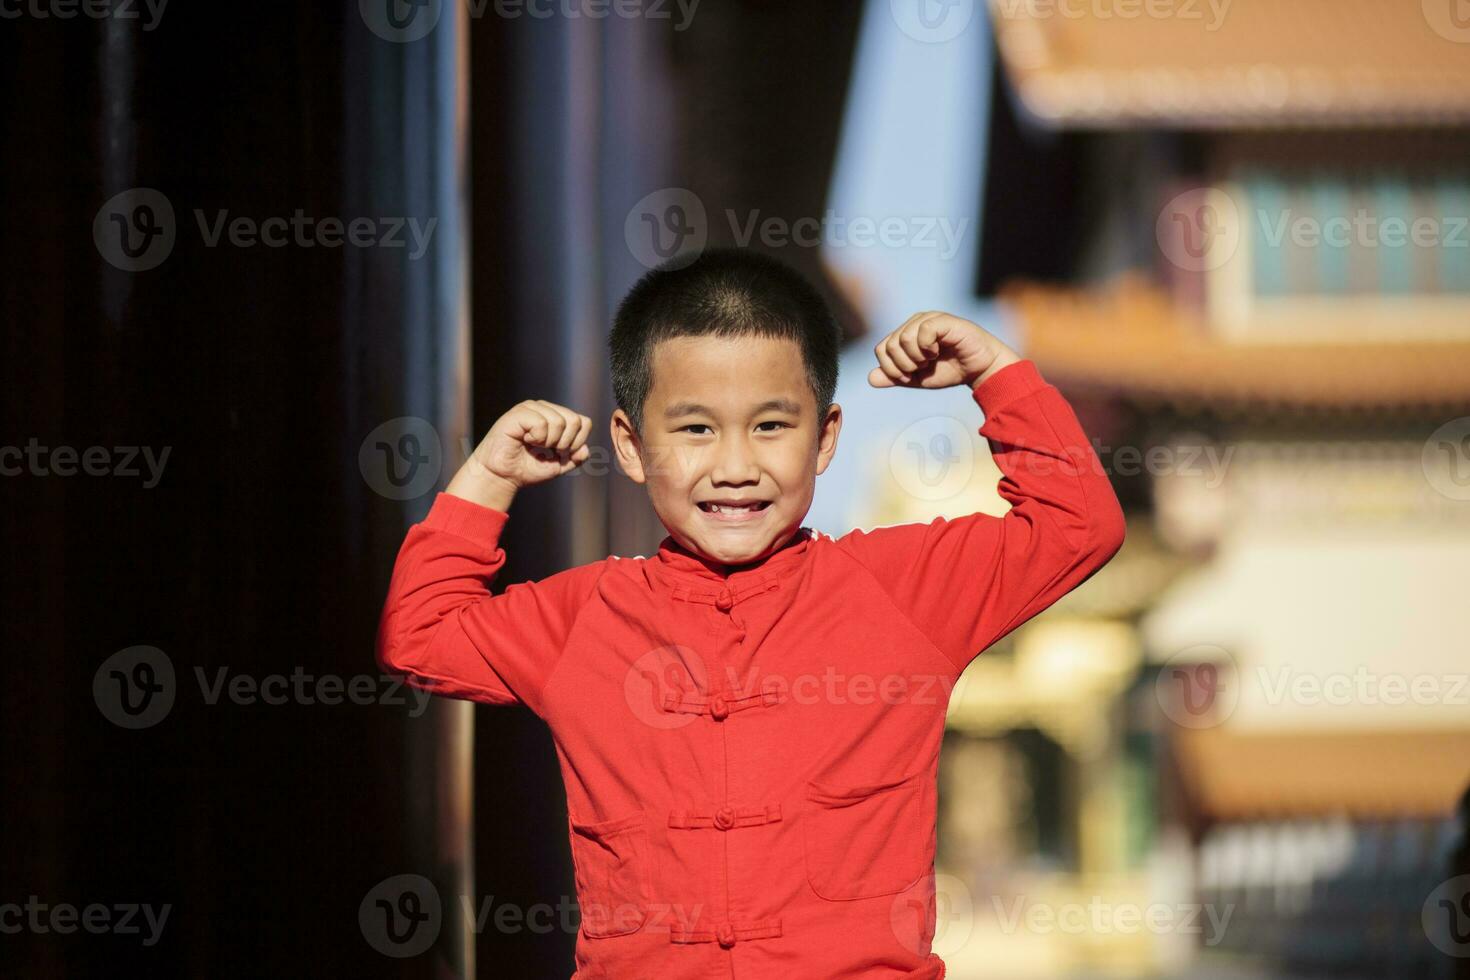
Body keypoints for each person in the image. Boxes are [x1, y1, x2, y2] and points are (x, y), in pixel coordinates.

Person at [376, 247, 1125, 978]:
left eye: (771, 426)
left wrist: (996, 374)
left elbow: (1078, 527)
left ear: (825, 438)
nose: (736, 468)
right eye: (695, 429)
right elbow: (421, 636)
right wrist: (489, 476)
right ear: (631, 447)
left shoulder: (901, 593)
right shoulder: (585, 617)